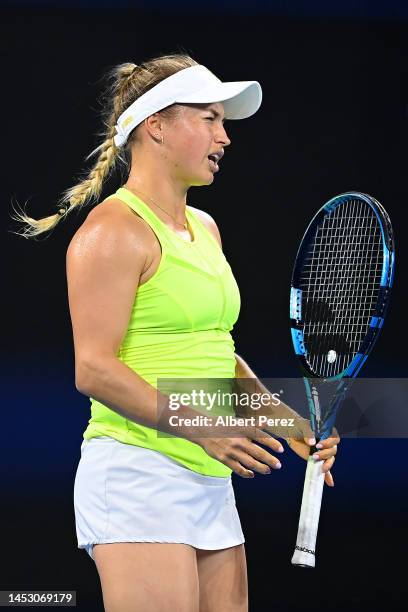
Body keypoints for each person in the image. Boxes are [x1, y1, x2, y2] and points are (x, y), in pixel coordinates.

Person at [11, 53, 339, 612]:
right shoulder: (112, 231)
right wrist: (201, 427)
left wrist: (288, 423)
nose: (225, 136)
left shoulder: (205, 229)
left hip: (208, 475)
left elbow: (218, 354)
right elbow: (93, 368)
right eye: (209, 118)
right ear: (157, 126)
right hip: (139, 472)